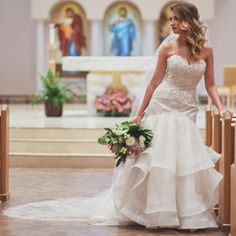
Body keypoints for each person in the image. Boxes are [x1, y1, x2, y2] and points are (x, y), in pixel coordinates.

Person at [3, 2, 223, 230]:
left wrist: (220, 107)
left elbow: (211, 84)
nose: (172, 23)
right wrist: (139, 114)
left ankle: (184, 211)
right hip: (163, 105)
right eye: (170, 19)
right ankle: (153, 210)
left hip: (187, 108)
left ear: (188, 20)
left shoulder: (206, 49)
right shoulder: (167, 48)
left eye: (176, 18)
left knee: (182, 159)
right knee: (159, 159)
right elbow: (153, 84)